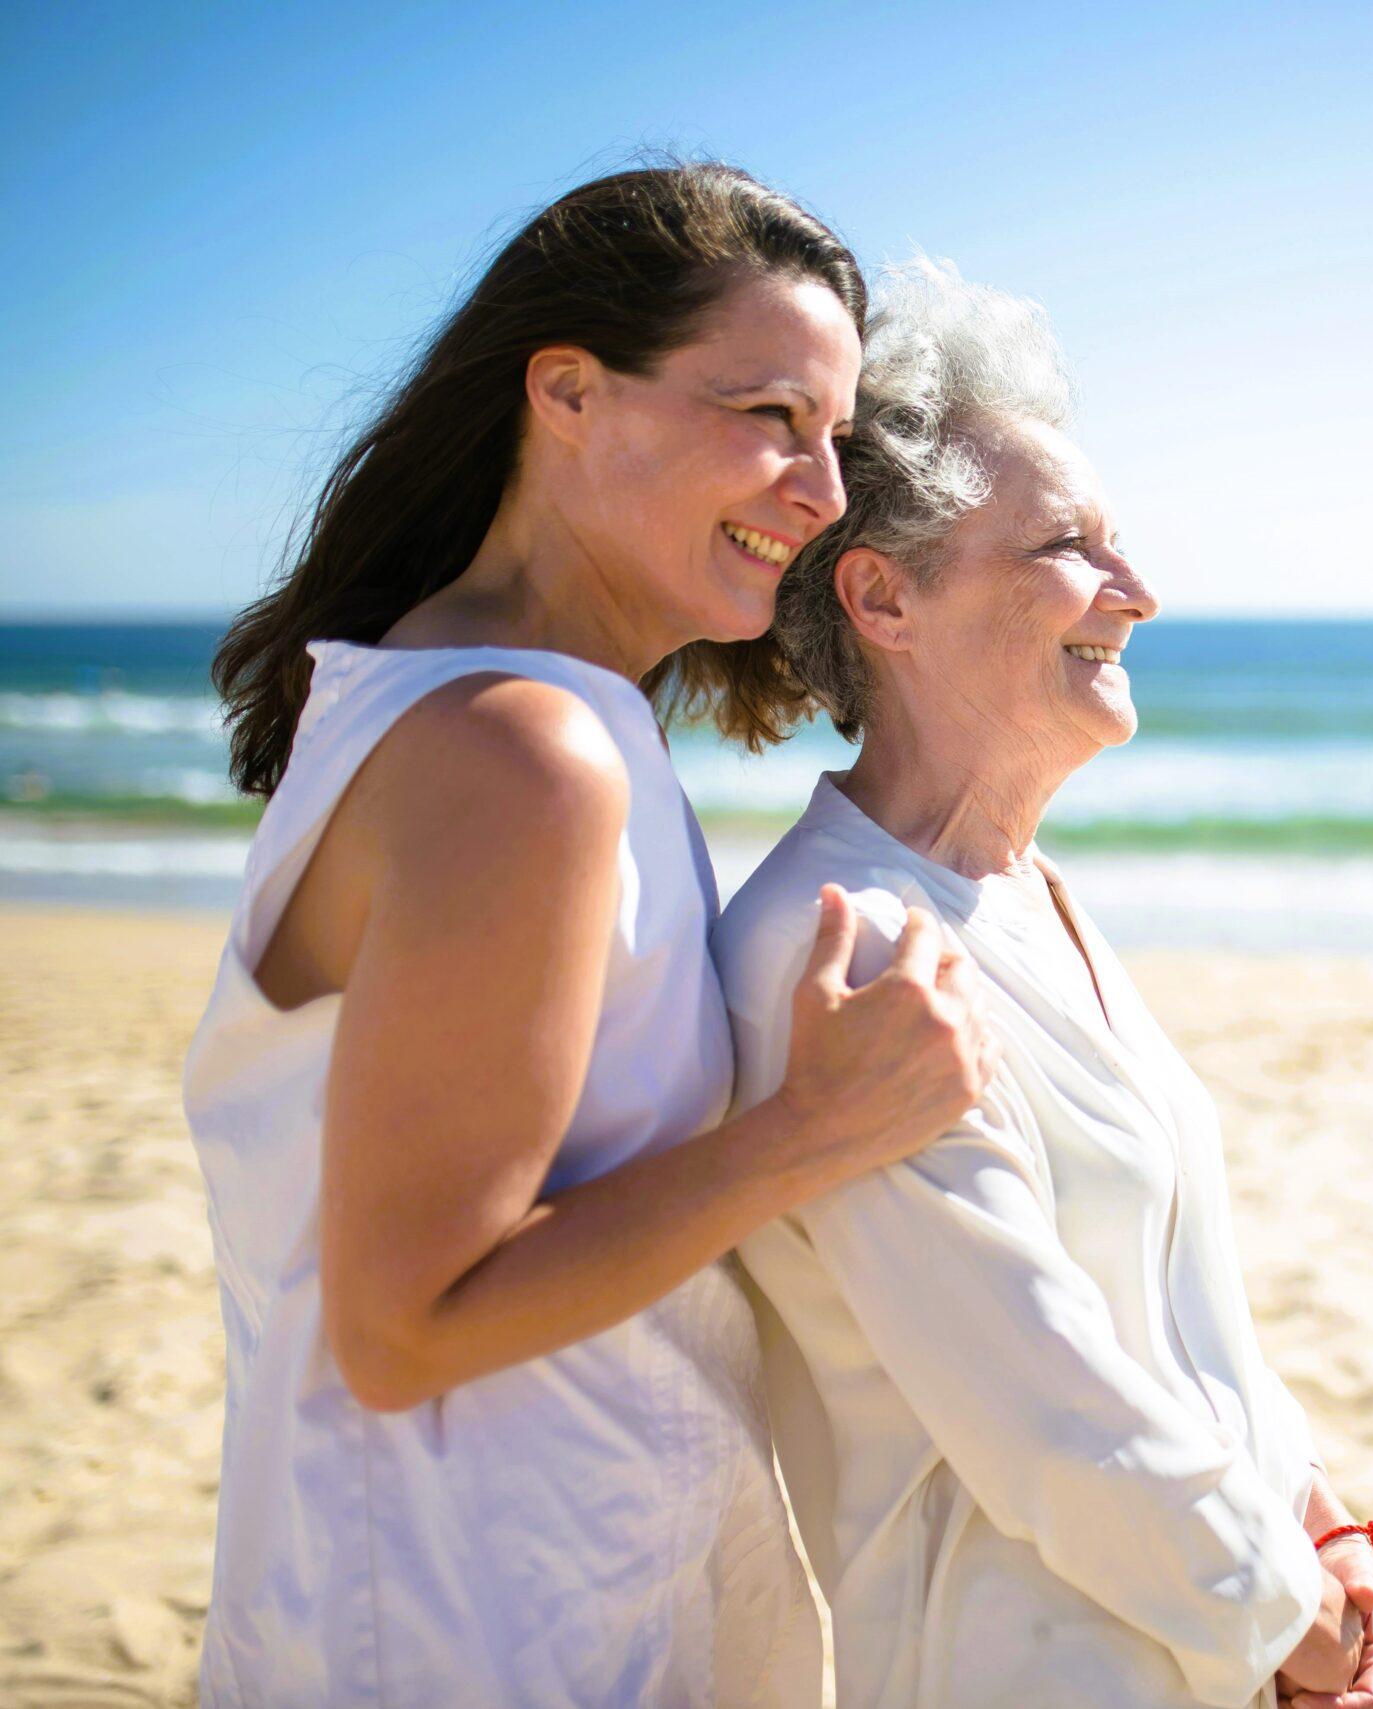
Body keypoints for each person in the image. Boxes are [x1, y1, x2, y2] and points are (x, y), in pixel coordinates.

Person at [183, 164, 996, 1707]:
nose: (822, 491)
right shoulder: (521, 754)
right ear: (566, 391)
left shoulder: (497, 711)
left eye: (833, 435)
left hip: (519, 1598)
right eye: (771, 414)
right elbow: (405, 1325)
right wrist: (809, 1132)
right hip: (474, 1637)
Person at [712, 260, 1373, 1709]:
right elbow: (1048, 1411)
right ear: (882, 595)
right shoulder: (843, 948)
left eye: (1119, 546)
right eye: (1068, 548)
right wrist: (1296, 1621)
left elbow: (1174, 1304)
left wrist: (1319, 1515)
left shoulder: (1025, 891)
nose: (1137, 596)